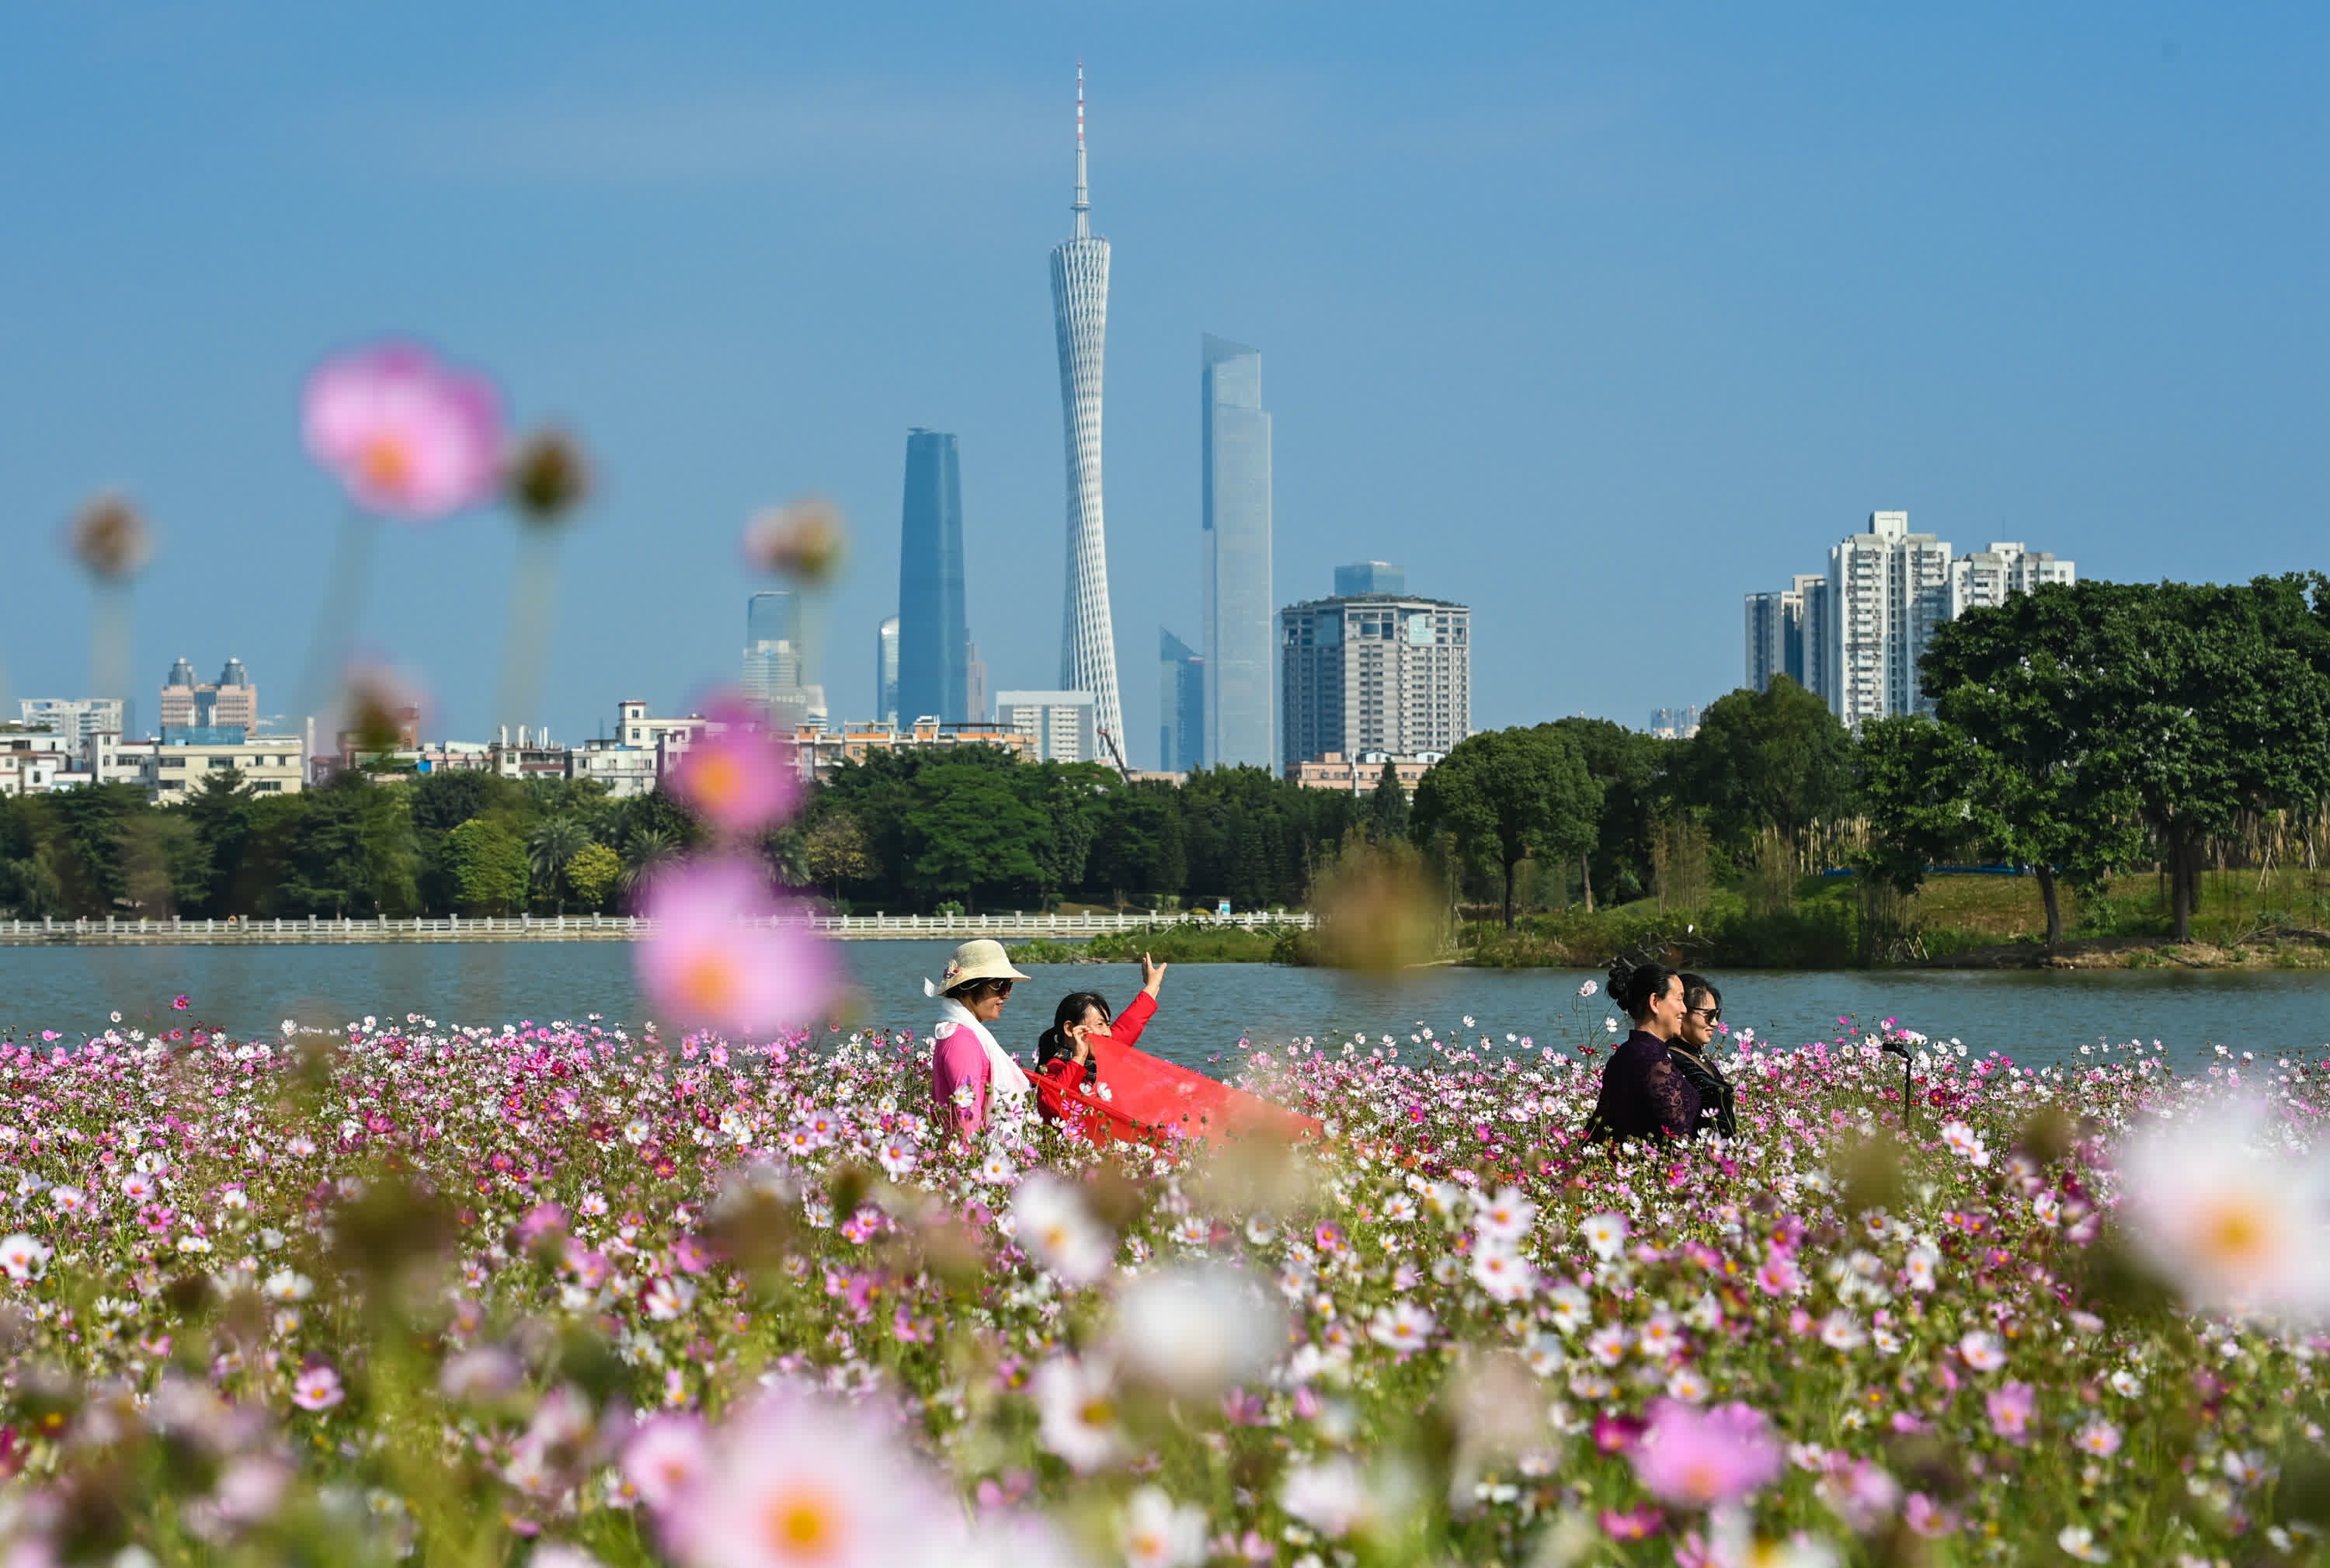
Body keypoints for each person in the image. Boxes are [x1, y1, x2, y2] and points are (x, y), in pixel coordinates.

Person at [924, 939, 1033, 1142]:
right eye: (999, 985)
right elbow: (965, 1114)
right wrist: (972, 1167)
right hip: (973, 1161)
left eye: (1008, 986)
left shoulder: (964, 1035)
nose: (1006, 995)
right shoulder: (962, 1041)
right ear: (968, 986)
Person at [1582, 958, 1699, 1146]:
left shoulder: (1625, 1054)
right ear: (1655, 1002)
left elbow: (1599, 1127)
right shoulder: (1654, 1063)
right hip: (1657, 1171)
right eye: (1679, 998)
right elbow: (1677, 1139)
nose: (1684, 1009)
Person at [1035, 953, 1168, 1087]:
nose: (1108, 1033)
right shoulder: (1053, 1069)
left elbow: (1132, 1021)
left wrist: (1153, 984)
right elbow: (1054, 1102)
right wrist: (1079, 1058)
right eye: (1099, 1024)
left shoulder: (1102, 1053)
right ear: (1070, 1029)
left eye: (1108, 1024)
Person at [1671, 972, 1739, 1139]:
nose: (1715, 1023)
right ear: (1682, 1011)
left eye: (1717, 1015)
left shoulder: (1697, 1055)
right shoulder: (1670, 1060)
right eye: (1709, 1015)